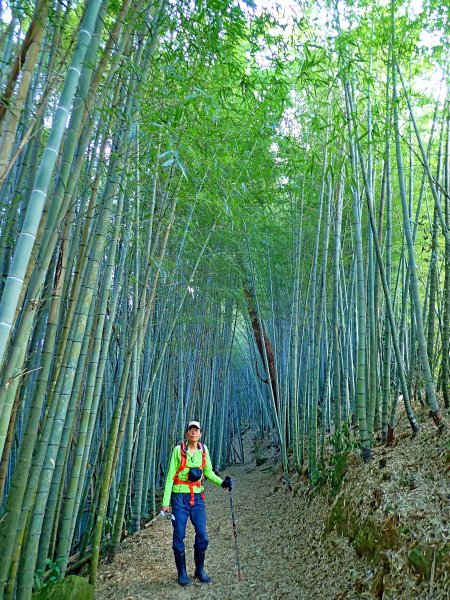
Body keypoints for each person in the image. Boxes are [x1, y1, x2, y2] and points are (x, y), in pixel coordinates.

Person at [162, 420, 233, 586]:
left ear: (200, 433)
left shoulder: (203, 450)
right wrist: (166, 502)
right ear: (187, 433)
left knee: (203, 535)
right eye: (190, 430)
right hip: (179, 498)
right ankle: (182, 573)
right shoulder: (178, 451)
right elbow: (170, 477)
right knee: (179, 534)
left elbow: (208, 471)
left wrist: (222, 482)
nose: (193, 432)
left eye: (196, 430)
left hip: (198, 498)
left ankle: (199, 570)